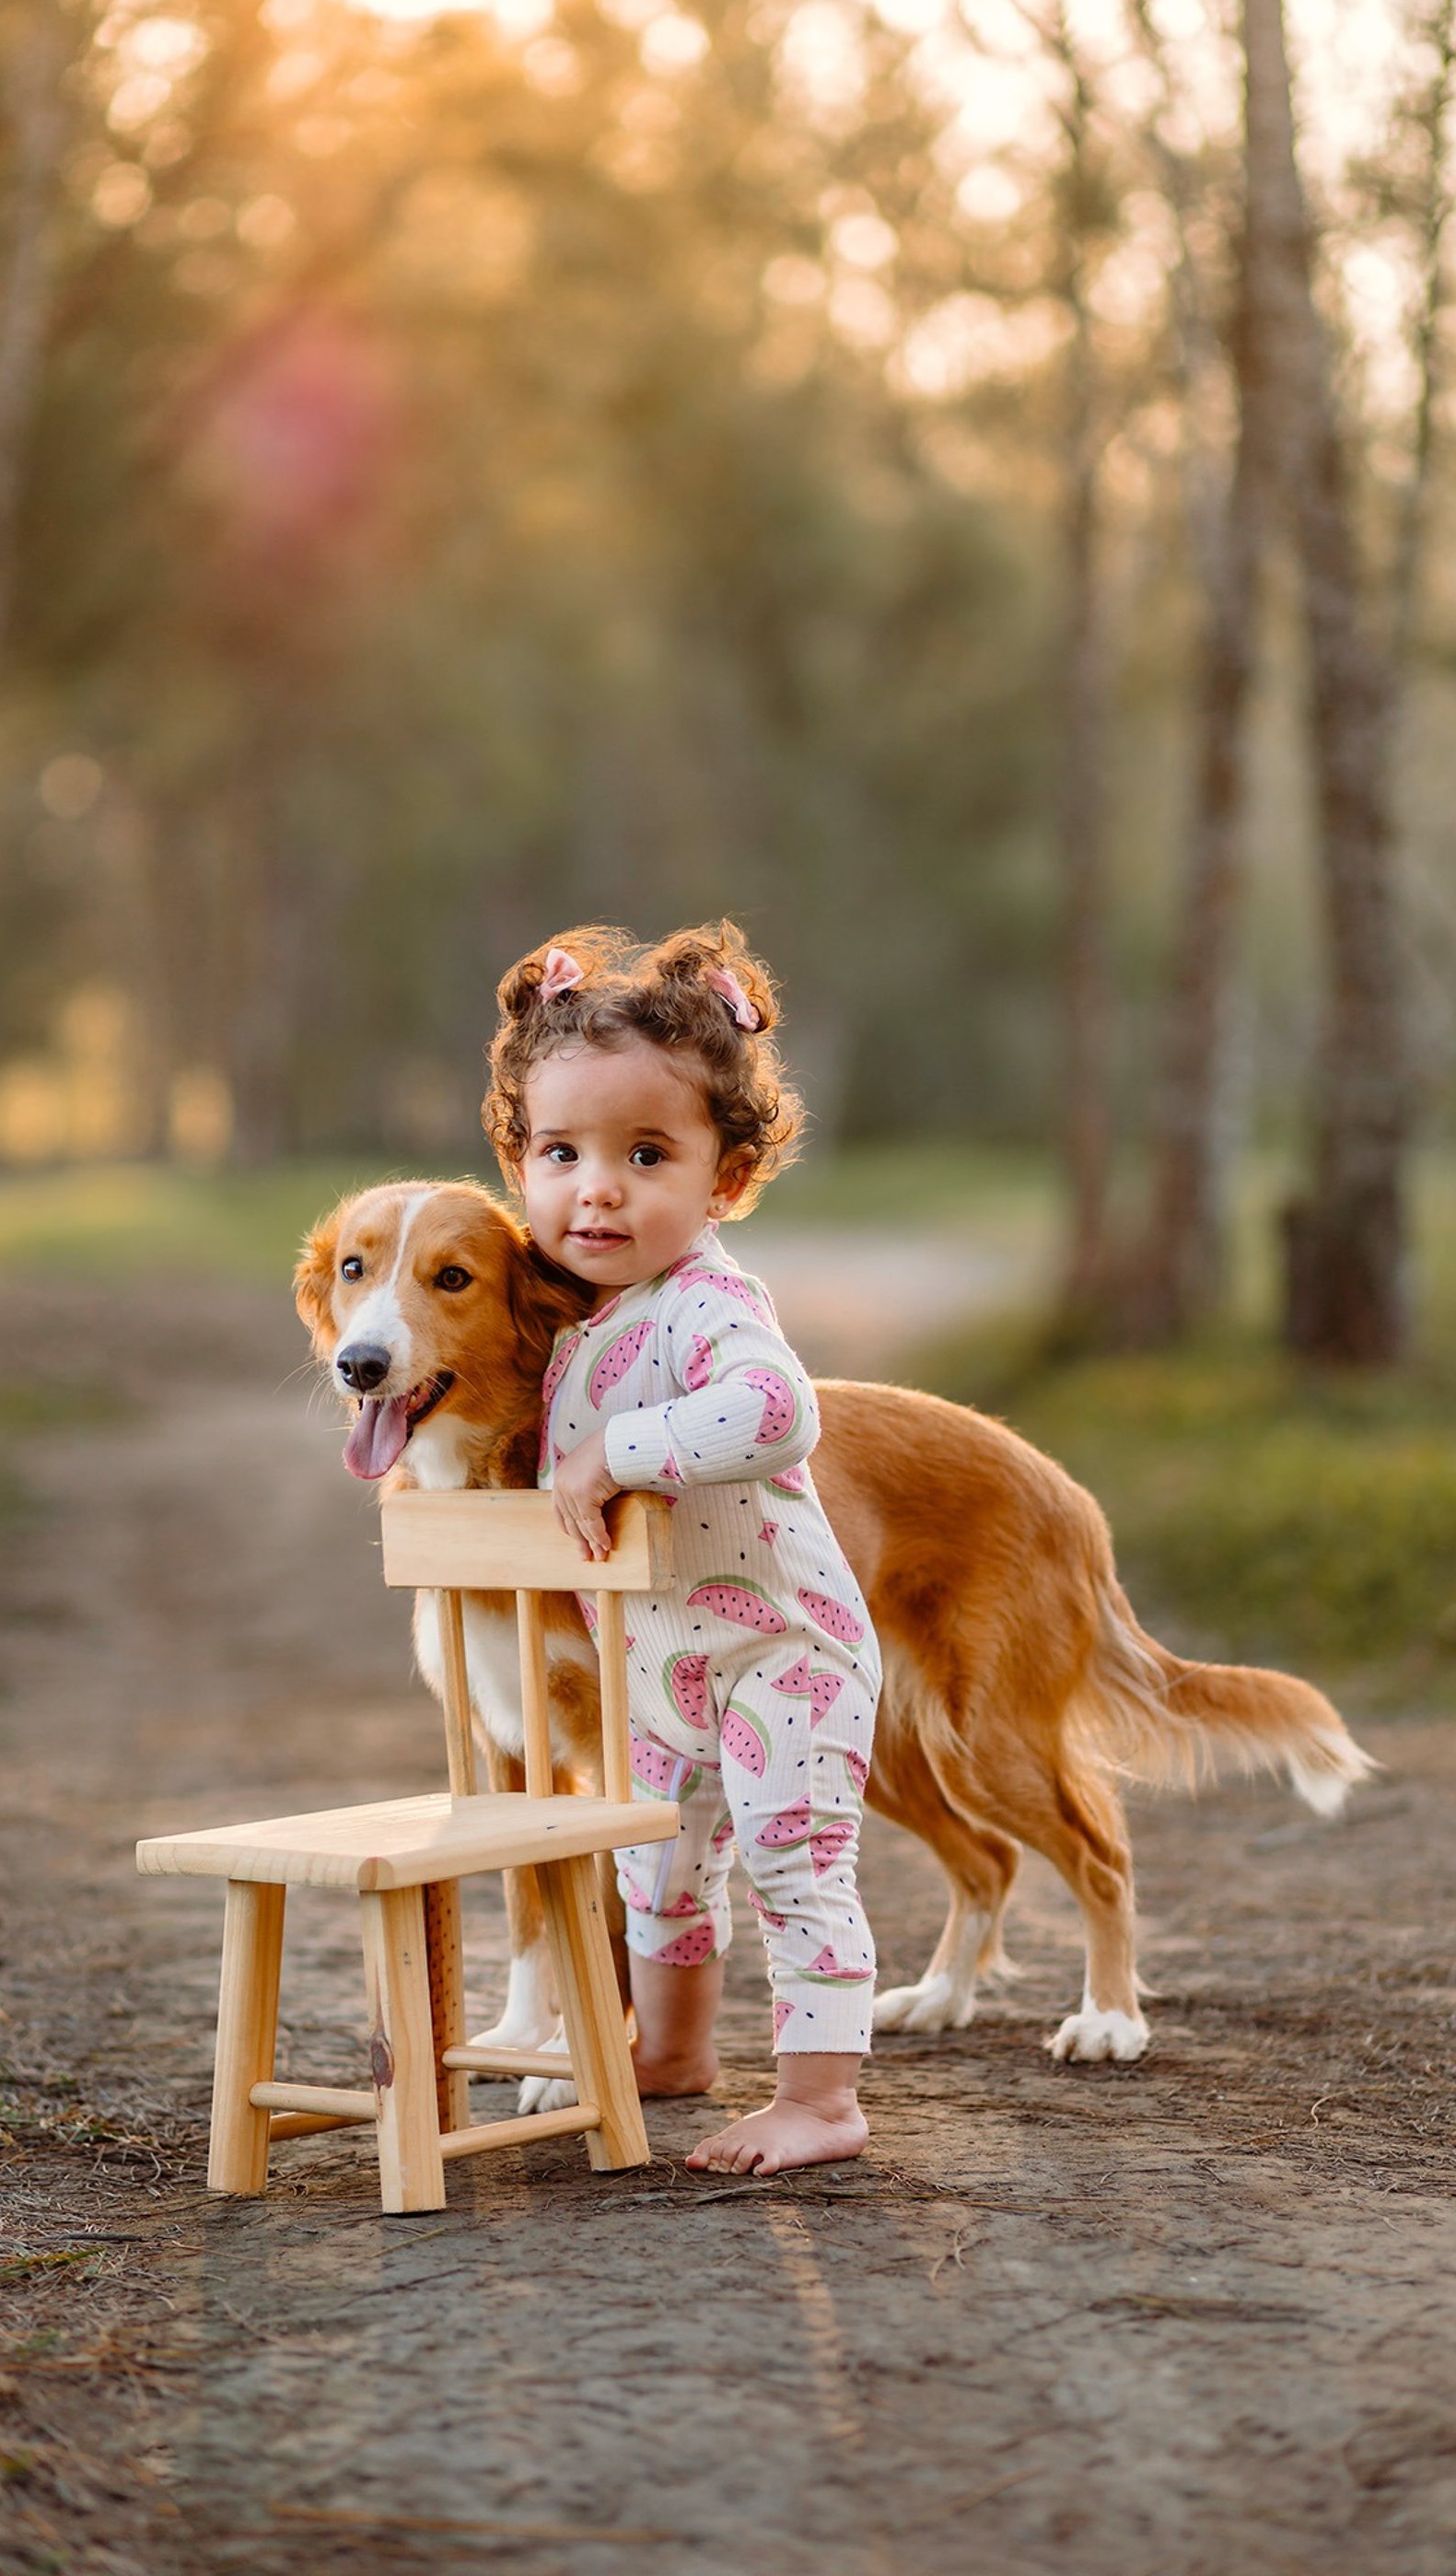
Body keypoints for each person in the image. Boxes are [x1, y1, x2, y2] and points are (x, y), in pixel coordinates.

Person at [482, 922, 881, 2177]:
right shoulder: (581, 1319)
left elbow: (779, 1413)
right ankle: (673, 2054)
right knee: (663, 1868)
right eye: (562, 1153)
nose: (596, 1188)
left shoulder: (710, 1305)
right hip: (665, 1663)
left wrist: (622, 1448)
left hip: (782, 1653)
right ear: (519, 1164)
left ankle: (821, 2100)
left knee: (789, 1857)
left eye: (645, 1154)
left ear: (727, 1179)